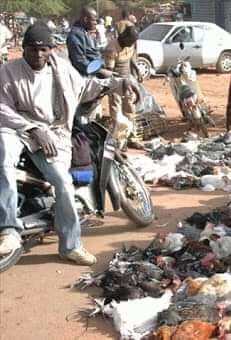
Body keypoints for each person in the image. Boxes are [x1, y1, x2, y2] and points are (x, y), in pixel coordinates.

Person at [0, 24, 132, 264]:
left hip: (54, 134)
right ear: (23, 49)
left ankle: (71, 245)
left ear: (51, 49)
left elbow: (84, 88)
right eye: (32, 49)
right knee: (3, 163)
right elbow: (2, 108)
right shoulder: (8, 72)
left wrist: (117, 83)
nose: (38, 55)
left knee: (63, 183)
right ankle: (9, 229)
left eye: (43, 49)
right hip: (15, 128)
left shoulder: (63, 70)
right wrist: (32, 128)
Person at [103, 26, 142, 149]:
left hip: (128, 81)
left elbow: (132, 59)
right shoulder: (111, 48)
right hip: (116, 82)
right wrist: (120, 83)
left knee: (130, 109)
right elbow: (109, 71)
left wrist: (137, 71)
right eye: (129, 41)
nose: (131, 44)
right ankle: (119, 141)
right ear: (124, 37)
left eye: (133, 42)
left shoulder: (131, 44)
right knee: (117, 113)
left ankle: (131, 137)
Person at [67, 7, 110, 77]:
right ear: (85, 19)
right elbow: (79, 61)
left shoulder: (86, 32)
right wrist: (100, 71)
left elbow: (93, 52)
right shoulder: (76, 35)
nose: (96, 23)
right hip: (86, 78)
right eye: (94, 20)